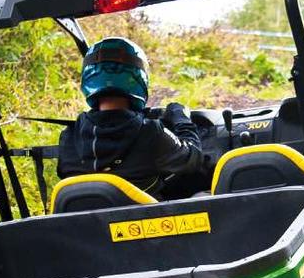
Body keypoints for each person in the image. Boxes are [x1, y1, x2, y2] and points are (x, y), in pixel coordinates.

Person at [56, 37, 204, 197]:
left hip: (85, 220)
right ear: (139, 77)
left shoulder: (69, 136)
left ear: (88, 76)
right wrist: (181, 118)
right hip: (145, 220)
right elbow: (193, 159)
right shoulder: (150, 133)